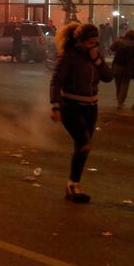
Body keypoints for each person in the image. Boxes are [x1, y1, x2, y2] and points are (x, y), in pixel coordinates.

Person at [50, 23, 113, 203]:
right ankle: (73, 184)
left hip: (91, 107)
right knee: (84, 143)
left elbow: (108, 77)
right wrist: (55, 106)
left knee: (82, 148)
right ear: (79, 41)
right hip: (71, 106)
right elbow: (56, 82)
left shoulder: (94, 57)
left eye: (95, 42)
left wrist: (97, 60)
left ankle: (73, 184)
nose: (93, 45)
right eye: (90, 43)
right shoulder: (68, 57)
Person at [110, 29, 134, 109]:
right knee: (124, 85)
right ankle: (121, 102)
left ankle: (119, 102)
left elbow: (112, 48)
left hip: (117, 65)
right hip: (128, 66)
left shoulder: (119, 41)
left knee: (118, 85)